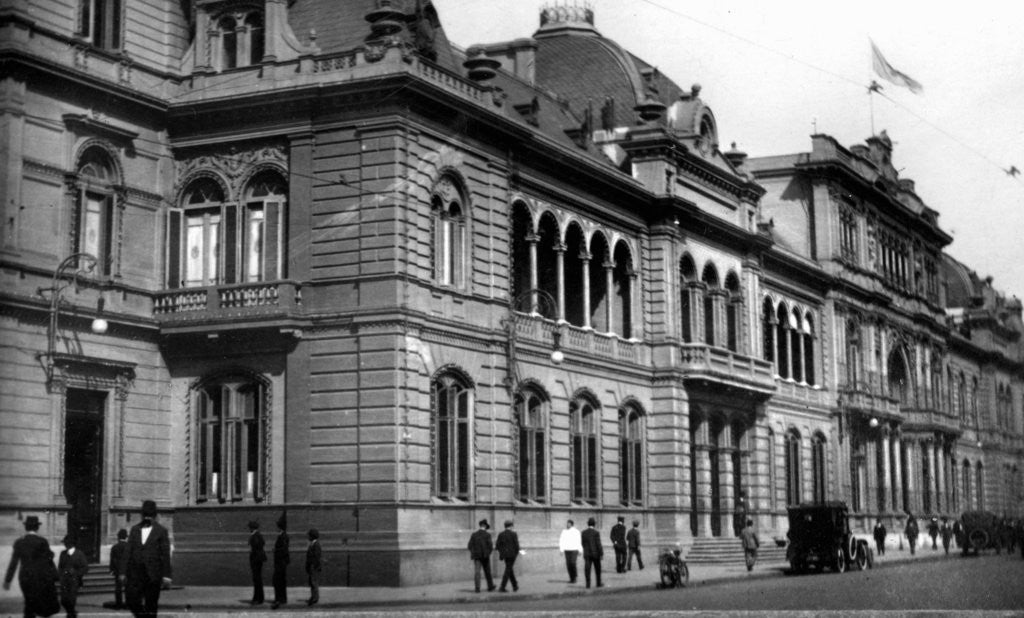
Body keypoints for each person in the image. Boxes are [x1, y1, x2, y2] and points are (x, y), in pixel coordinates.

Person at [3, 515, 59, 618]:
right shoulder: (42, 541)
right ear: (37, 527)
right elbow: (49, 558)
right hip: (40, 577)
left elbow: (13, 562)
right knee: (41, 602)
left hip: (25, 577)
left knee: (29, 602)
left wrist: (8, 580)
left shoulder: (19, 542)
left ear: (26, 527)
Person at [126, 499, 172, 618]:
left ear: (155, 516)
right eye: (146, 515)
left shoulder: (161, 531)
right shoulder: (134, 530)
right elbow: (128, 551)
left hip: (153, 574)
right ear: (142, 515)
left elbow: (165, 554)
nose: (148, 518)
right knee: (132, 602)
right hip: (136, 574)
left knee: (151, 605)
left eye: (150, 515)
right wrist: (122, 572)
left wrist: (167, 575)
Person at [58, 534, 89, 618]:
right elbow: (60, 566)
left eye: (66, 543)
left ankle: (71, 614)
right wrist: (60, 575)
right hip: (64, 580)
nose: (65, 544)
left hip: (74, 580)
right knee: (63, 600)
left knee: (71, 599)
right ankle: (72, 612)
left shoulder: (79, 554)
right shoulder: (63, 554)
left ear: (71, 544)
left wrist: (76, 572)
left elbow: (85, 567)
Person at [467, 519, 495, 593]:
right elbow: (490, 546)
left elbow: (469, 546)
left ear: (480, 526)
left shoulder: (474, 534)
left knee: (477, 572)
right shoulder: (487, 535)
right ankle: (490, 586)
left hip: (477, 556)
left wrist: (474, 553)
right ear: (485, 526)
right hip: (485, 556)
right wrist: (488, 553)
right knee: (487, 572)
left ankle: (477, 588)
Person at [495, 520, 520, 593]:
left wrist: (502, 553)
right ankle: (502, 586)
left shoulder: (501, 534)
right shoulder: (514, 534)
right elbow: (517, 546)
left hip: (505, 555)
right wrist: (516, 553)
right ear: (511, 526)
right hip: (512, 555)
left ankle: (515, 585)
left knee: (509, 569)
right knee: (508, 570)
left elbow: (497, 546)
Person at [271, 512, 289, 609]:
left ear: (280, 527)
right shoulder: (282, 536)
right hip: (281, 562)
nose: (276, 528)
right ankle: (282, 598)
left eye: (277, 527)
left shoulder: (283, 536)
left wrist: (275, 550)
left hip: (280, 562)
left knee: (278, 580)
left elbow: (284, 549)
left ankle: (279, 599)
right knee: (280, 580)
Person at [581, 517, 603, 589]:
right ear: (594, 524)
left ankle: (588, 584)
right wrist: (601, 553)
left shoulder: (584, 532)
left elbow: (582, 543)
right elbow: (598, 544)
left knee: (587, 569)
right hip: (595, 553)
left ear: (588, 524)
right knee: (598, 569)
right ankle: (598, 583)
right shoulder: (596, 533)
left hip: (587, 553)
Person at [109, 529, 129, 609]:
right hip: (127, 570)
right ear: (126, 537)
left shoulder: (115, 547)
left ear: (118, 537)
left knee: (118, 588)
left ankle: (118, 604)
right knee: (128, 588)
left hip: (117, 570)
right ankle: (128, 604)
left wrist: (112, 569)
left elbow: (112, 559)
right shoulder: (129, 547)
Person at [247, 520, 266, 605]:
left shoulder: (255, 536)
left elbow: (256, 548)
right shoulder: (257, 535)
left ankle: (257, 598)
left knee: (257, 579)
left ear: (252, 528)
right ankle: (258, 598)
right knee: (257, 579)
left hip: (256, 560)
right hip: (258, 560)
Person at [558, 520, 582, 584]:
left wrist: (580, 550)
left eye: (568, 524)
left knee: (572, 563)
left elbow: (579, 541)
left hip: (574, 550)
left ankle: (575, 576)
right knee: (568, 564)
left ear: (571, 524)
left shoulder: (576, 531)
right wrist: (561, 550)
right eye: (567, 524)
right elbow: (561, 540)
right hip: (567, 550)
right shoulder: (564, 531)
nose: (567, 525)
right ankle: (571, 578)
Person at [305, 529, 321, 606]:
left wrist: (313, 566)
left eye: (309, 535)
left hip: (314, 566)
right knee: (312, 582)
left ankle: (315, 598)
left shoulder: (316, 545)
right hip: (312, 566)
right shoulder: (312, 544)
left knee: (314, 582)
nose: (308, 537)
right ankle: (313, 596)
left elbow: (316, 557)